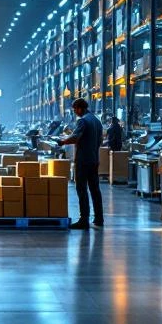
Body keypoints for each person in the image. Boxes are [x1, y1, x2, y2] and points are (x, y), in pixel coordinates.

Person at [57, 98, 104, 230]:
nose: (75, 112)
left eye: (75, 110)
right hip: (94, 159)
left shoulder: (83, 120)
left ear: (79, 108)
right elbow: (100, 140)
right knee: (95, 189)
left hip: (83, 160)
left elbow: (75, 137)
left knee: (81, 189)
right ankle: (99, 218)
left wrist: (63, 142)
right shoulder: (96, 120)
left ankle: (84, 220)